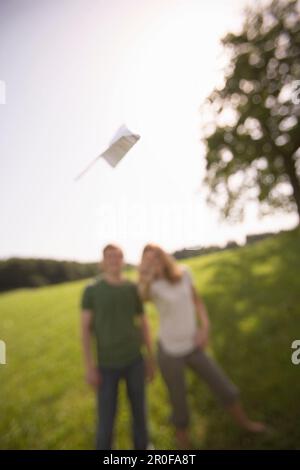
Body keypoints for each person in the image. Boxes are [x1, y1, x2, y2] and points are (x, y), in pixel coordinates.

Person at [138, 243, 267, 449]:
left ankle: (246, 424)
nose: (154, 261)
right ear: (144, 263)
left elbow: (197, 301)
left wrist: (205, 327)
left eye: (157, 257)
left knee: (223, 386)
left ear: (164, 257)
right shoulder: (151, 285)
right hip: (169, 352)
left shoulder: (184, 273)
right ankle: (185, 448)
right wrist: (145, 274)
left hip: (193, 345)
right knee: (179, 403)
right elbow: (142, 296)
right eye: (148, 259)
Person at [81, 244, 155, 450]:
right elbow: (85, 330)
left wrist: (150, 357)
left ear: (123, 260)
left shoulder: (132, 288)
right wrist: (89, 366)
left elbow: (143, 323)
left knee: (140, 413)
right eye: (109, 256)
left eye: (118, 256)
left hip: (135, 361)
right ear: (103, 262)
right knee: (106, 419)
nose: (114, 259)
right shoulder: (92, 290)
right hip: (106, 366)